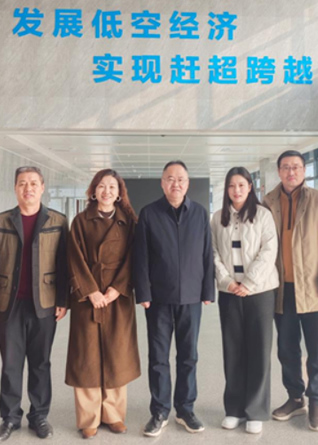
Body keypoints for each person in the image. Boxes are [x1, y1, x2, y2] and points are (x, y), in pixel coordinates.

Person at [0, 166, 69, 444]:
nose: (27, 188)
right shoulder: (0, 221)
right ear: (15, 188)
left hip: (45, 302)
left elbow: (64, 263)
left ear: (42, 187)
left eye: (33, 183)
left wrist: (63, 300)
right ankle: (9, 418)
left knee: (41, 362)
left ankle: (39, 415)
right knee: (11, 363)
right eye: (22, 183)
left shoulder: (57, 220)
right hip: (9, 304)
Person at [132, 160, 214, 437]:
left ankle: (185, 409)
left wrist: (207, 291)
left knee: (189, 356)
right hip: (158, 299)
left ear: (187, 183)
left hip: (191, 297)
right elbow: (140, 257)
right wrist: (143, 292)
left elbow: (207, 253)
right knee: (158, 357)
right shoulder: (149, 213)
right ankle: (159, 411)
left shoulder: (200, 214)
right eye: (170, 179)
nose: (175, 184)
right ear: (162, 183)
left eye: (180, 179)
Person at [262, 150, 318, 432]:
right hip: (280, 289)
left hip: (315, 288)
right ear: (278, 171)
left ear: (304, 170)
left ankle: (317, 401)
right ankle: (295, 398)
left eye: (296, 166)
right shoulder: (268, 202)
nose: (291, 172)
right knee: (287, 348)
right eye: (285, 167)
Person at [65, 169, 141, 439]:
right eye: (101, 186)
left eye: (112, 187)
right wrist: (90, 291)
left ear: (119, 193)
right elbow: (73, 258)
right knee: (86, 357)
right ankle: (89, 418)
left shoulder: (129, 222)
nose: (106, 191)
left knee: (117, 354)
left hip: (118, 297)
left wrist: (117, 288)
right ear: (93, 190)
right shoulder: (80, 221)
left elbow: (135, 258)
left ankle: (114, 414)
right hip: (88, 298)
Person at [210, 167, 279, 435]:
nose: (236, 190)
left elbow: (269, 250)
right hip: (229, 293)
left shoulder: (263, 215)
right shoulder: (218, 218)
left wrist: (249, 283)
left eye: (241, 185)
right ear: (226, 189)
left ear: (250, 187)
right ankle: (234, 409)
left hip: (259, 292)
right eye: (231, 186)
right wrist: (227, 281)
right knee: (233, 350)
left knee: (259, 350)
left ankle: (256, 410)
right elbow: (212, 253)